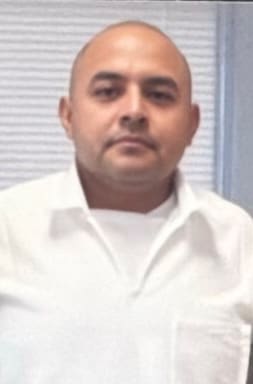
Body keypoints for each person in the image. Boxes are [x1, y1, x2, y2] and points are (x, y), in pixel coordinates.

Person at [0, 20, 252, 384]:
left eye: (160, 95)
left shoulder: (237, 238)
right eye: (107, 92)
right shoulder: (8, 226)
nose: (134, 111)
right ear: (68, 116)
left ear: (192, 124)